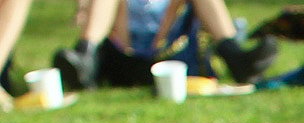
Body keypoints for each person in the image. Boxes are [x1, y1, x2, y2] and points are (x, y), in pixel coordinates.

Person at [53, 0, 277, 90]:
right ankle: (85, 57)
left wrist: (158, 44)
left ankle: (235, 56)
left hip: (173, 57)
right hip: (123, 57)